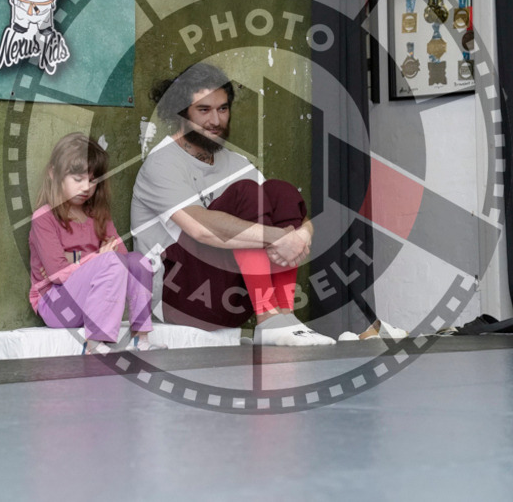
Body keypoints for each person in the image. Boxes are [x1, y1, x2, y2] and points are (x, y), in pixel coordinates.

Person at [130, 63, 336, 346]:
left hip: (232, 296)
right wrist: (280, 238)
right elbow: (200, 229)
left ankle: (283, 316)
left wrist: (301, 236)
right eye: (204, 110)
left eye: (223, 109)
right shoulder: (162, 162)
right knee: (246, 194)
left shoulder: (236, 163)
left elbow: (291, 213)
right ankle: (267, 316)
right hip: (180, 297)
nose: (215, 120)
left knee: (280, 191)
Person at [29, 133, 163, 354]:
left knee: (138, 261)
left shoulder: (98, 214)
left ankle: (140, 338)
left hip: (91, 301)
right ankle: (94, 344)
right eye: (78, 179)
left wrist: (83, 260)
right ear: (54, 173)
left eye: (92, 180)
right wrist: (98, 258)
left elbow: (122, 258)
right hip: (56, 305)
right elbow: (58, 274)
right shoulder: (44, 218)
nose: (86, 187)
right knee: (111, 260)